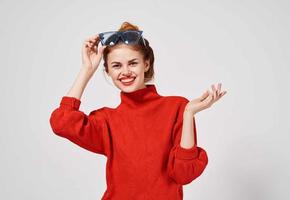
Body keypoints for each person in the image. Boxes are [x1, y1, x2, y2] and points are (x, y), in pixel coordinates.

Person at [49, 21, 227, 200]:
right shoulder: (107, 121)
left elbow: (183, 174)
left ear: (146, 64)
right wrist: (86, 70)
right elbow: (62, 123)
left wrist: (188, 114)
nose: (125, 72)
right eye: (117, 66)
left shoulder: (177, 108)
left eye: (133, 63)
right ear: (108, 71)